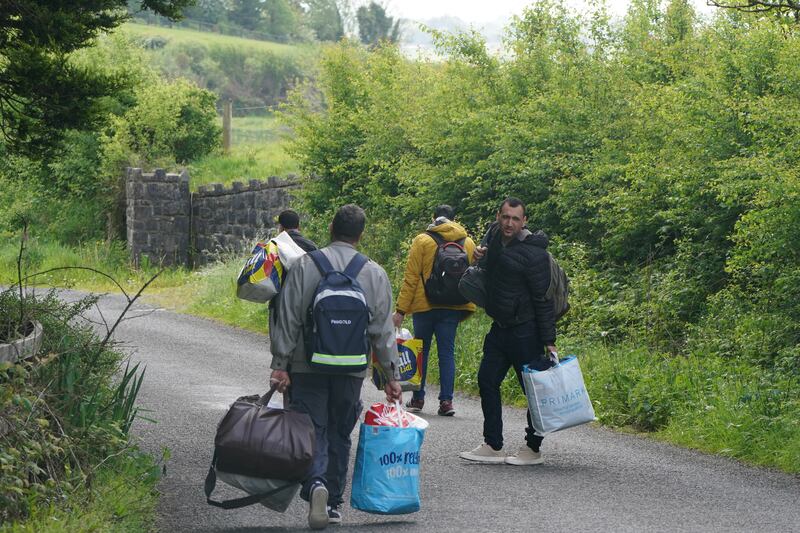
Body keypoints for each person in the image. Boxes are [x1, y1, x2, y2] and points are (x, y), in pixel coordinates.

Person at [269, 204, 403, 530]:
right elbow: (382, 331)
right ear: (361, 234)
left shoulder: (304, 266)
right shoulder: (374, 273)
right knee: (340, 431)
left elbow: (289, 318)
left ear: (331, 228)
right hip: (351, 367)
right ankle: (331, 503)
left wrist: (280, 364)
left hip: (306, 364)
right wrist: (390, 376)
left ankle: (315, 484)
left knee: (312, 428)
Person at [459, 197, 557, 466]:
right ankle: (493, 444)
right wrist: (479, 256)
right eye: (505, 217)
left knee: (533, 392)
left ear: (524, 221)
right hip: (500, 328)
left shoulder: (534, 253)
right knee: (486, 380)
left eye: (515, 218)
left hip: (526, 331)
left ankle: (532, 448)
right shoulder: (493, 239)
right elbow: (488, 273)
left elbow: (543, 299)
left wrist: (549, 340)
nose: (509, 223)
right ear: (498, 217)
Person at [392, 205, 476, 416]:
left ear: (433, 218)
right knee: (447, 352)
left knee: (421, 351)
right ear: (454, 220)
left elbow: (411, 278)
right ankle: (446, 402)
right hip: (452, 306)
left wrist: (401, 310)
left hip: (424, 305)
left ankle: (418, 399)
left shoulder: (422, 240)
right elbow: (474, 277)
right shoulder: (468, 242)